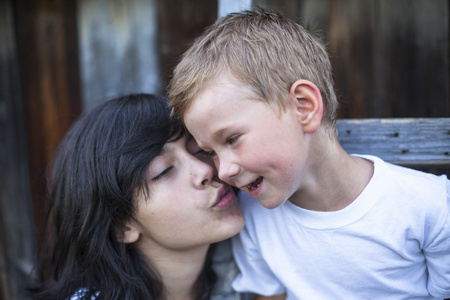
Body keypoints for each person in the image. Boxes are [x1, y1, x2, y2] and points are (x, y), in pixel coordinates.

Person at [168, 9, 450, 300]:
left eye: (232, 138)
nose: (223, 170)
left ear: (304, 107)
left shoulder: (429, 207)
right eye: (210, 152)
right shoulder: (253, 217)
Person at [28, 94, 246, 300]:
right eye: (163, 171)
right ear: (122, 227)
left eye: (199, 150)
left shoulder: (254, 265)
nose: (204, 170)